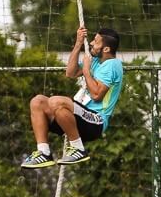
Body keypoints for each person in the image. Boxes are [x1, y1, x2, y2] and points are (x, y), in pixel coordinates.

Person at [21, 26, 124, 168]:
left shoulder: (112, 65)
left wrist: (87, 71)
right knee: (37, 101)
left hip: (96, 121)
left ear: (106, 49)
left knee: (57, 102)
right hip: (80, 118)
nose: (92, 44)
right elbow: (70, 72)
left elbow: (96, 95)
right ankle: (43, 152)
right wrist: (78, 44)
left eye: (96, 41)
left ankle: (78, 149)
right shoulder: (94, 61)